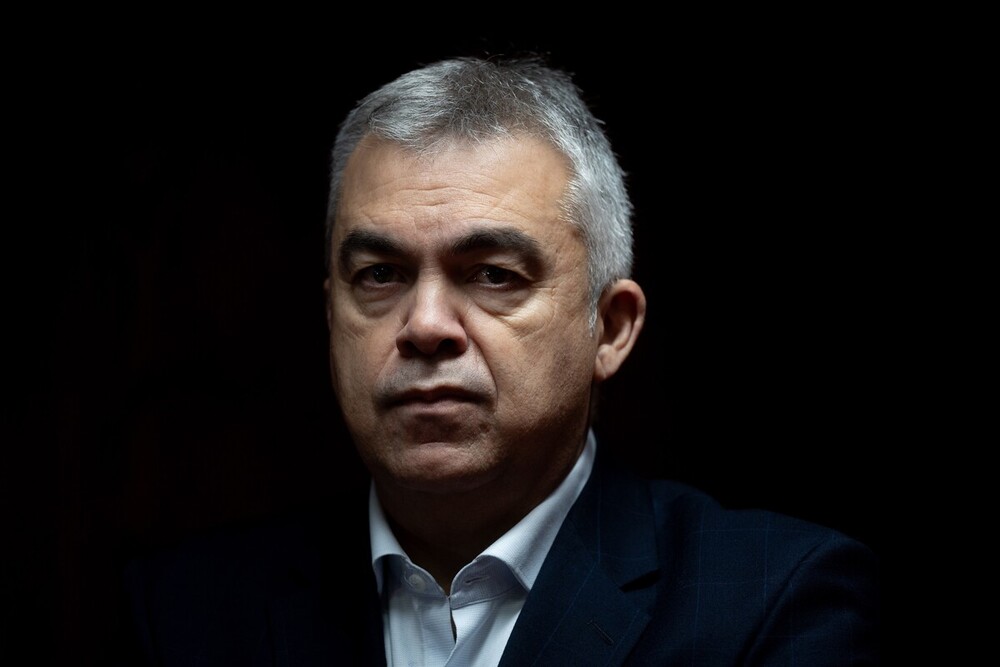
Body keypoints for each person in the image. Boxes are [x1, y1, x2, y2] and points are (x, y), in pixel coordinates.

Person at [122, 55, 879, 665]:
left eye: (492, 274)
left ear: (611, 329)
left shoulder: (774, 602)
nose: (424, 325)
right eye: (380, 275)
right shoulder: (187, 610)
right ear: (330, 315)